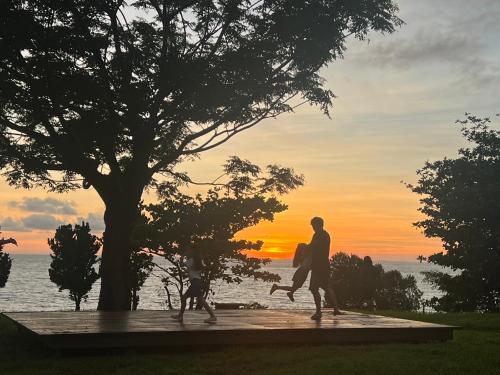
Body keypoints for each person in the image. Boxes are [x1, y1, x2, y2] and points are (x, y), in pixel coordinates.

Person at [171, 245, 217, 324]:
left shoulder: (192, 260)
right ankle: (212, 316)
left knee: (184, 297)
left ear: (192, 251)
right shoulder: (199, 260)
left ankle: (180, 316)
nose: (188, 252)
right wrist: (189, 271)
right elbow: (197, 270)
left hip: (195, 282)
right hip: (197, 282)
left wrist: (182, 256)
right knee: (200, 299)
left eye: (188, 250)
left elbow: (182, 265)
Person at [308, 216, 342, 320]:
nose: (313, 228)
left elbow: (313, 247)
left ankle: (319, 312)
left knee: (314, 288)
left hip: (320, 266)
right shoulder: (318, 235)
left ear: (319, 225)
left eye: (314, 226)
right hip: (321, 265)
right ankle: (336, 309)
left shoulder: (322, 236)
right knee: (326, 287)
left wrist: (305, 247)